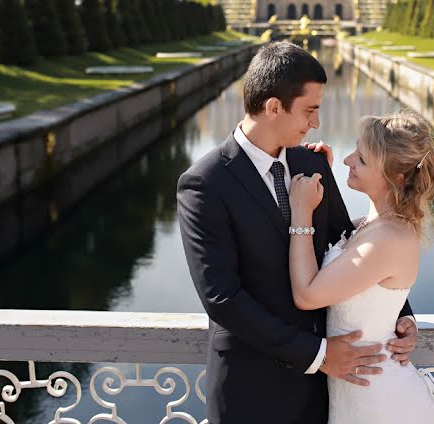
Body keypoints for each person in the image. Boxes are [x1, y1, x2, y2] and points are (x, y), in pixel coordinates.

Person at [177, 41, 418, 424]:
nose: (316, 123)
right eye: (309, 110)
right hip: (252, 390)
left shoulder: (311, 162)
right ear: (274, 107)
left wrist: (399, 313)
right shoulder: (205, 183)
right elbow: (221, 297)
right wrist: (317, 354)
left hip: (327, 391)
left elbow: (352, 249)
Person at [288, 109, 434, 423]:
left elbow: (307, 295)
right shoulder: (373, 224)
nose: (349, 160)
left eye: (361, 159)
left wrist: (301, 212)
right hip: (358, 392)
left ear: (397, 177)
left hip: (379, 401)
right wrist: (326, 178)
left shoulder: (389, 237)